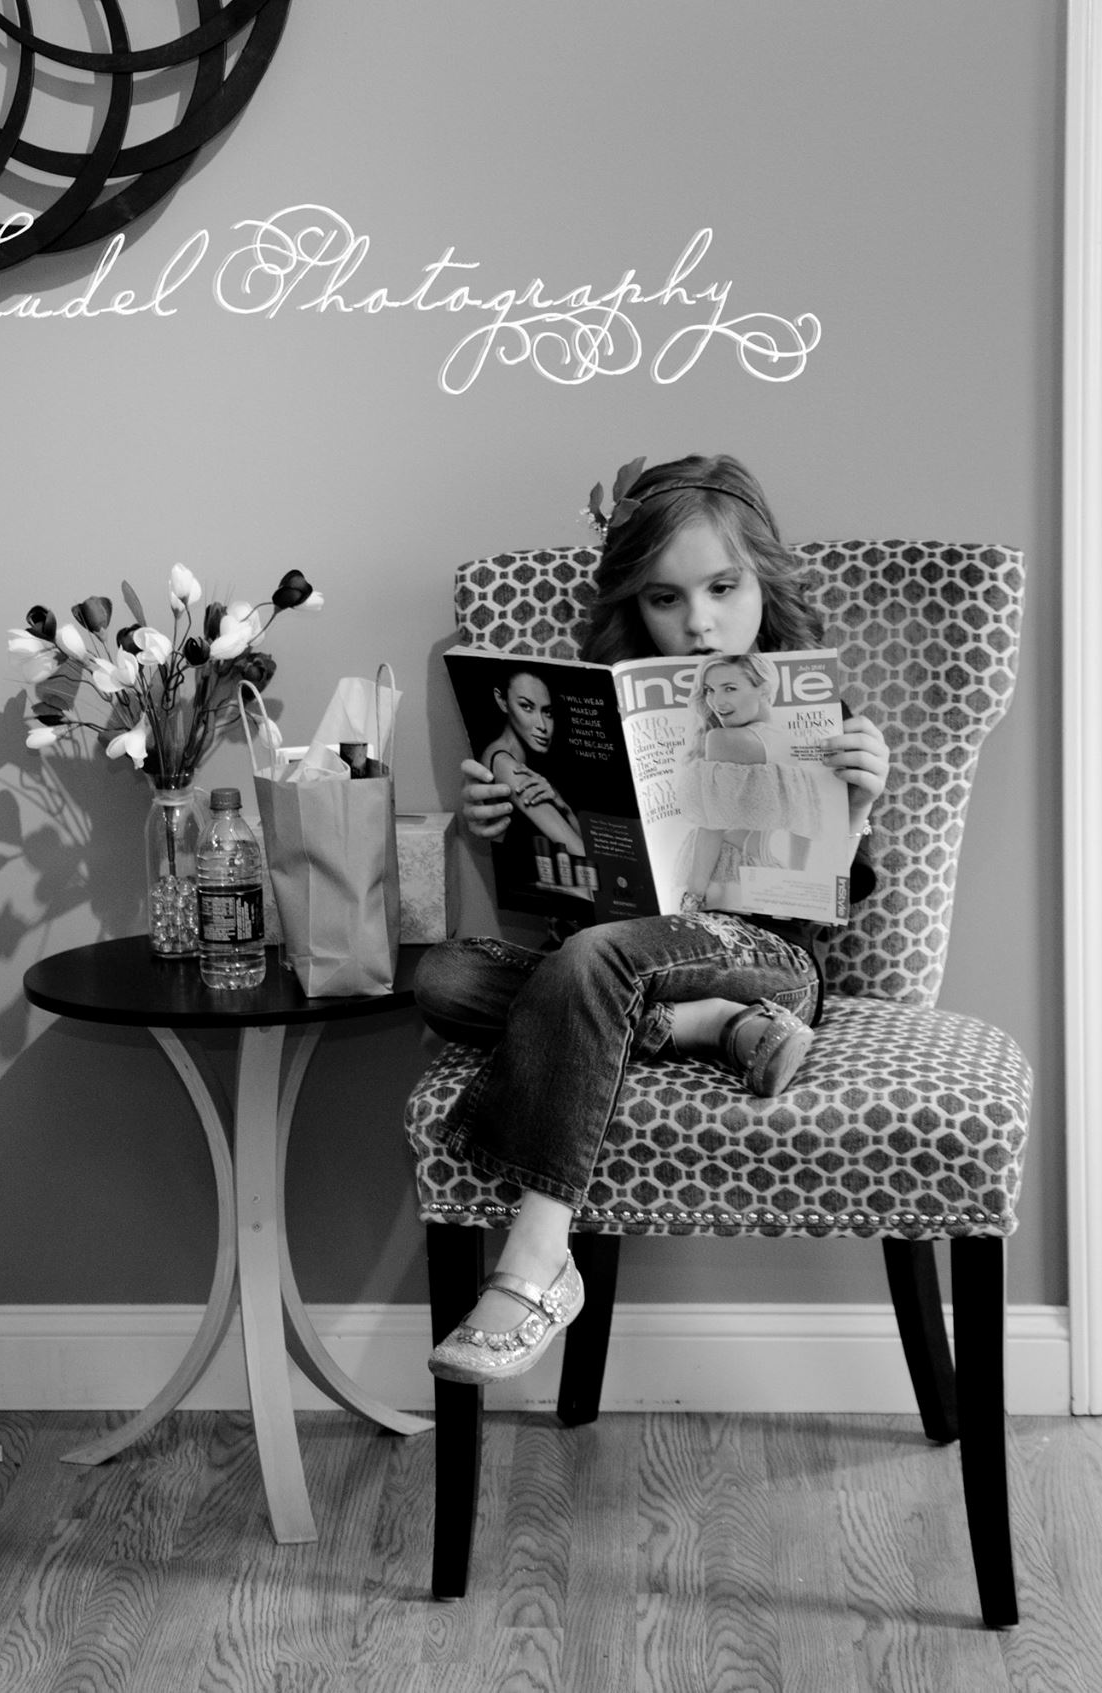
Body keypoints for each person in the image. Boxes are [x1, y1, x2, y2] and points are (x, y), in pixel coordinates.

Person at [415, 454, 887, 1386]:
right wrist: (500, 826)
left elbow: (838, 894)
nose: (699, 621)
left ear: (764, 580)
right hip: (619, 955)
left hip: (768, 960)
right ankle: (703, 1028)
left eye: (723, 587)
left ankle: (538, 1255)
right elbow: (564, 891)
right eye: (667, 598)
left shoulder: (811, 713)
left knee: (590, 961)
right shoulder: (597, 713)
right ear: (637, 604)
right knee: (445, 976)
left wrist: (859, 807)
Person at [675, 651, 837, 907]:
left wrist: (693, 896)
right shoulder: (792, 744)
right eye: (709, 690)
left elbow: (711, 828)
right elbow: (802, 829)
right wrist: (795, 885)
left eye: (730, 688)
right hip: (768, 870)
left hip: (719, 873)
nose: (716, 701)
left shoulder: (723, 739)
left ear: (764, 690)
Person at [481, 668, 586, 860]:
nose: (542, 726)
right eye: (526, 707)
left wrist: (566, 809)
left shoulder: (521, 764)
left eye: (548, 712)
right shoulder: (505, 765)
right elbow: (584, 853)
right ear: (502, 700)